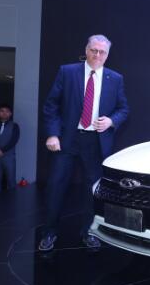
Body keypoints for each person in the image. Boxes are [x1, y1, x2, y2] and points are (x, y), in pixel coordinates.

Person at [39, 34, 129, 252]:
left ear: (107, 55)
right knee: (55, 187)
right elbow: (51, 105)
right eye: (93, 50)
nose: (97, 55)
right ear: (86, 50)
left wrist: (111, 121)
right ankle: (49, 233)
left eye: (102, 52)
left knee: (92, 190)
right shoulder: (67, 72)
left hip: (95, 142)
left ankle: (88, 232)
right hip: (66, 140)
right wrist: (52, 134)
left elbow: (123, 109)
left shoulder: (115, 78)